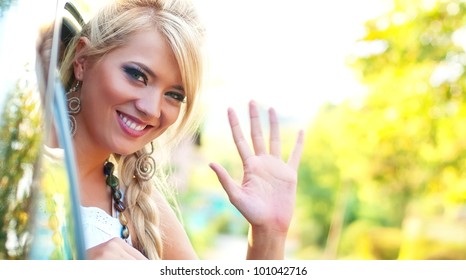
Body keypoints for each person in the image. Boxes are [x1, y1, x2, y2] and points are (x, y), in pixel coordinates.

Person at [53, 0, 304, 260]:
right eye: (138, 76)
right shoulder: (17, 154)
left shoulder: (140, 207)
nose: (152, 110)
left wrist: (268, 234)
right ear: (83, 61)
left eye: (173, 95)